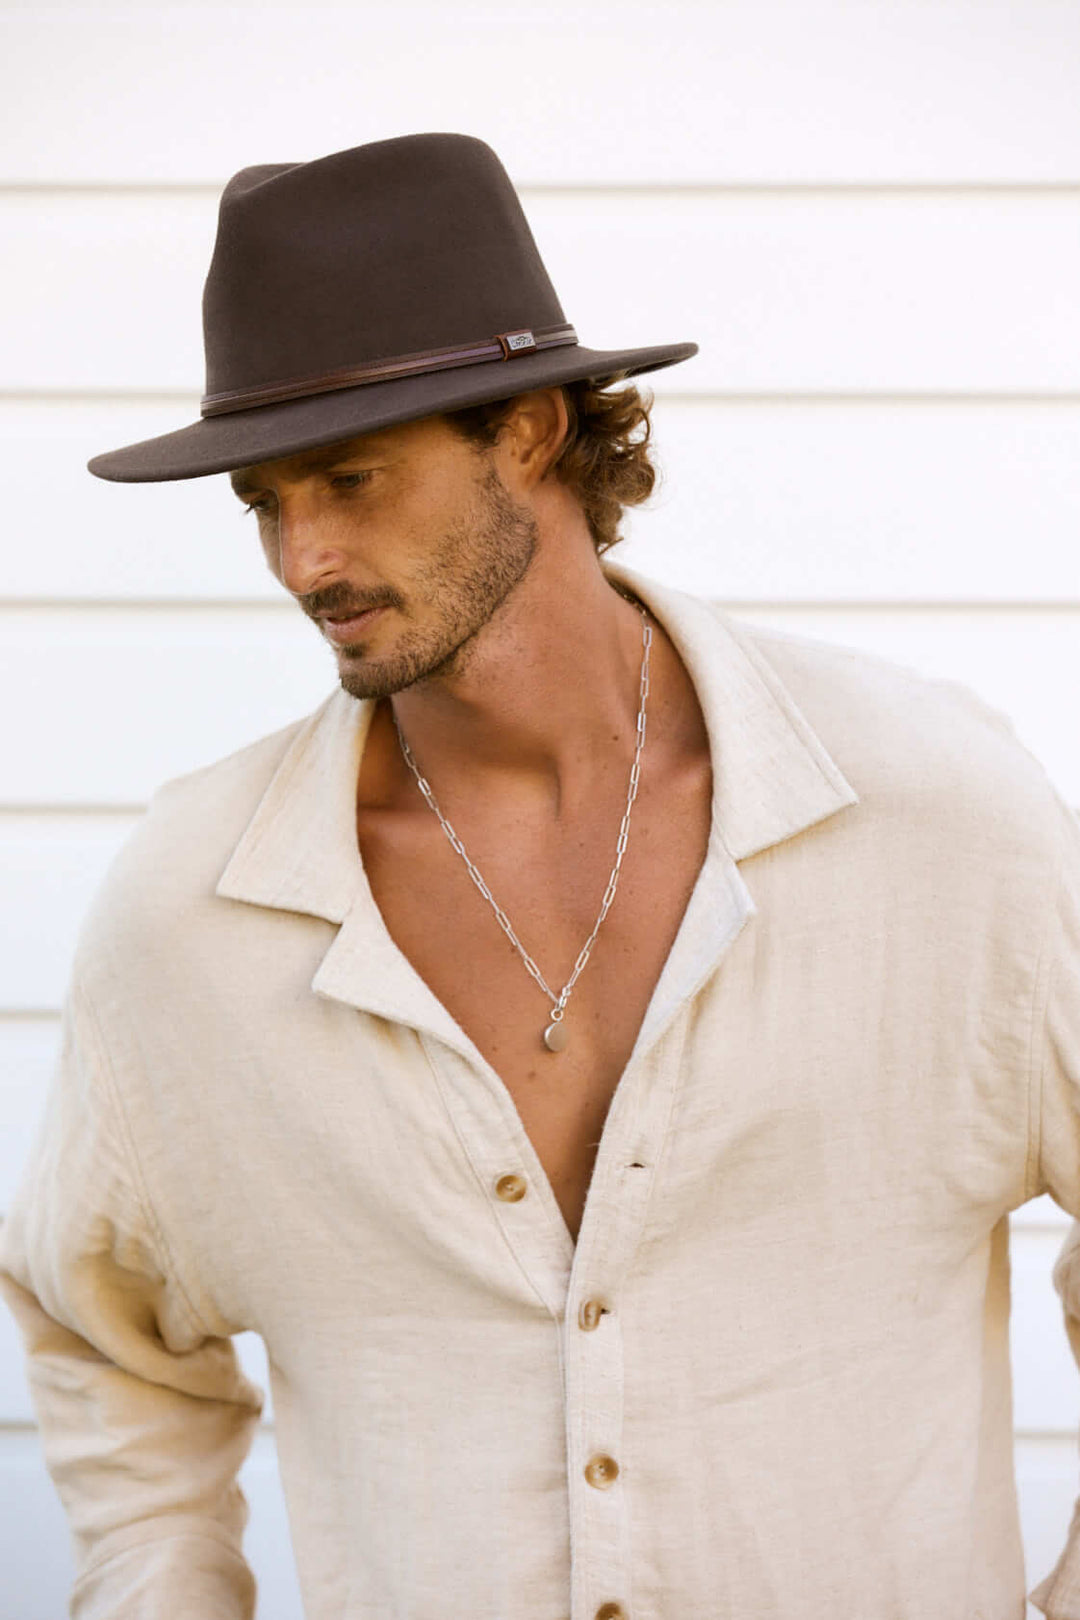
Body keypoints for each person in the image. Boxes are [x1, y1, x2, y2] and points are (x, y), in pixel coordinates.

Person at [1, 130, 1079, 1620]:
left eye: (352, 479)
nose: (304, 558)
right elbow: (100, 1336)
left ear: (527, 431)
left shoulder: (938, 819)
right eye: (263, 499)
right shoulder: (190, 920)